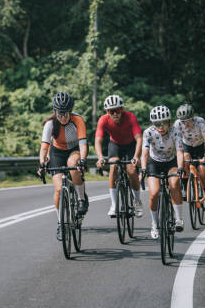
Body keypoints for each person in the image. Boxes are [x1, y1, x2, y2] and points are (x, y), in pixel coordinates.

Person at [37, 92, 89, 241]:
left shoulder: (78, 120)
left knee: (73, 164)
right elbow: (44, 147)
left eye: (66, 113)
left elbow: (83, 144)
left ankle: (81, 199)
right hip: (57, 152)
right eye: (60, 113)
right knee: (59, 189)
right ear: (55, 111)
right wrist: (42, 163)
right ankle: (61, 224)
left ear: (70, 111)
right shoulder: (50, 124)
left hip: (75, 150)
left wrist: (83, 160)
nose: (63, 117)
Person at [140, 105, 185, 239]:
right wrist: (143, 169)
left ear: (169, 122)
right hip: (154, 163)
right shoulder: (148, 132)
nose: (161, 126)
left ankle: (178, 219)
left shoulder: (175, 131)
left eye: (164, 123)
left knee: (174, 183)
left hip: (171, 162)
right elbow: (145, 153)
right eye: (157, 123)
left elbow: (180, 152)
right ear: (153, 123)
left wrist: (181, 167)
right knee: (154, 193)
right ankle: (155, 223)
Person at [95, 94, 143, 218]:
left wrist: (137, 156)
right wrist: (100, 157)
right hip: (115, 144)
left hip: (130, 145)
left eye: (118, 110)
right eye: (112, 111)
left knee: (132, 171)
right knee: (113, 167)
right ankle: (114, 205)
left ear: (121, 109)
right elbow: (98, 141)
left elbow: (139, 138)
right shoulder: (103, 120)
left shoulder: (130, 117)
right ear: (107, 112)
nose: (115, 114)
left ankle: (137, 201)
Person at [173, 104, 205, 210]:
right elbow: (174, 141)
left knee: (203, 173)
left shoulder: (200, 121)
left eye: (188, 121)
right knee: (185, 162)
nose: (185, 124)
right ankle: (186, 188)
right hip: (186, 146)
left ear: (193, 117)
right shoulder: (177, 124)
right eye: (183, 121)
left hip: (200, 147)